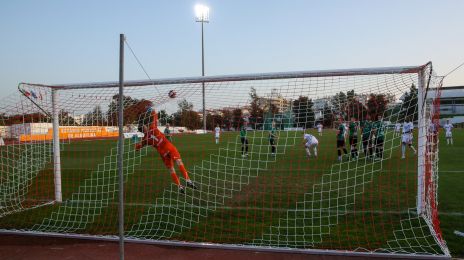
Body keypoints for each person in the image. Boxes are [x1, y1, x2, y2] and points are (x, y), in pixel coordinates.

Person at [135, 108, 197, 194]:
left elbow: (138, 148)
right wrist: (152, 110)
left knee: (172, 170)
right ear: (145, 127)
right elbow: (155, 116)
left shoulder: (145, 139)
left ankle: (180, 187)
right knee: (179, 162)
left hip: (163, 153)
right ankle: (188, 180)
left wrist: (137, 146)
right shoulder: (152, 127)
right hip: (169, 147)